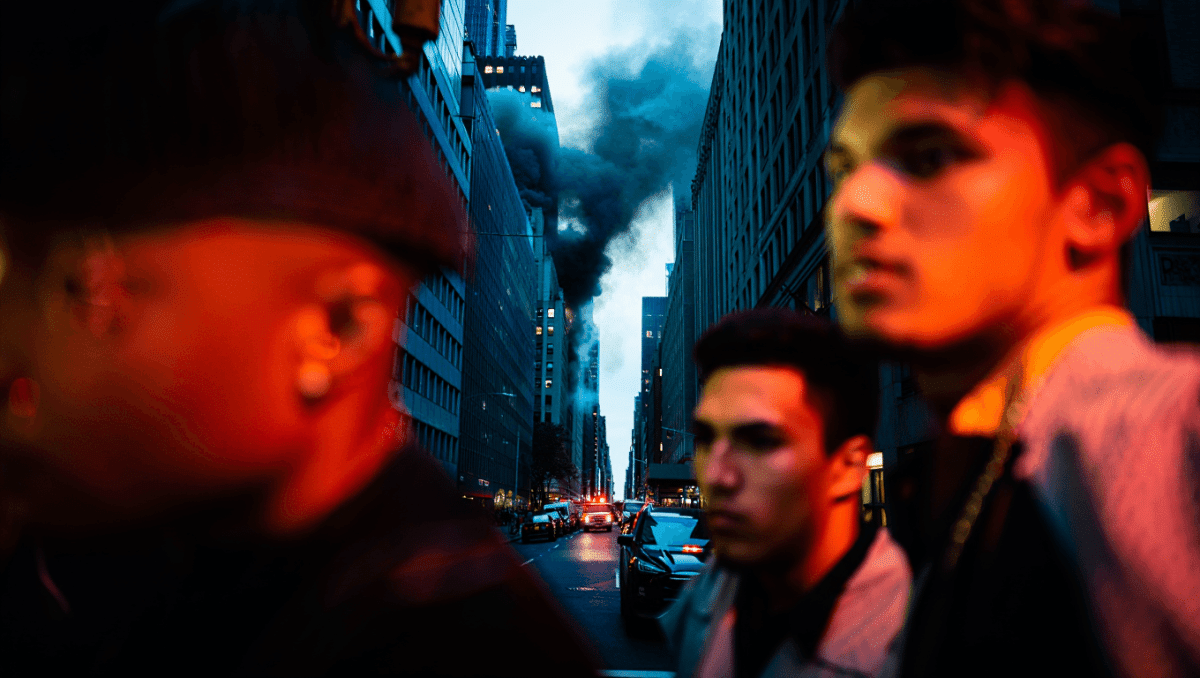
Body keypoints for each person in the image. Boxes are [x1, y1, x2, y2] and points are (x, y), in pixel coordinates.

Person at [0, 1, 597, 675]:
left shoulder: (457, 638)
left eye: (88, 290)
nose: (17, 356)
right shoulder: (131, 563)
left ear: (337, 328)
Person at [824, 1, 1199, 676]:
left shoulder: (1171, 429)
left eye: (930, 156)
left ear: (1099, 204)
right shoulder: (983, 460)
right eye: (845, 167)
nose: (855, 205)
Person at [662, 309, 912, 678]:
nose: (716, 476)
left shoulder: (923, 643)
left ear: (848, 467)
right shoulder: (707, 592)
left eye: (761, 441)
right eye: (706, 438)